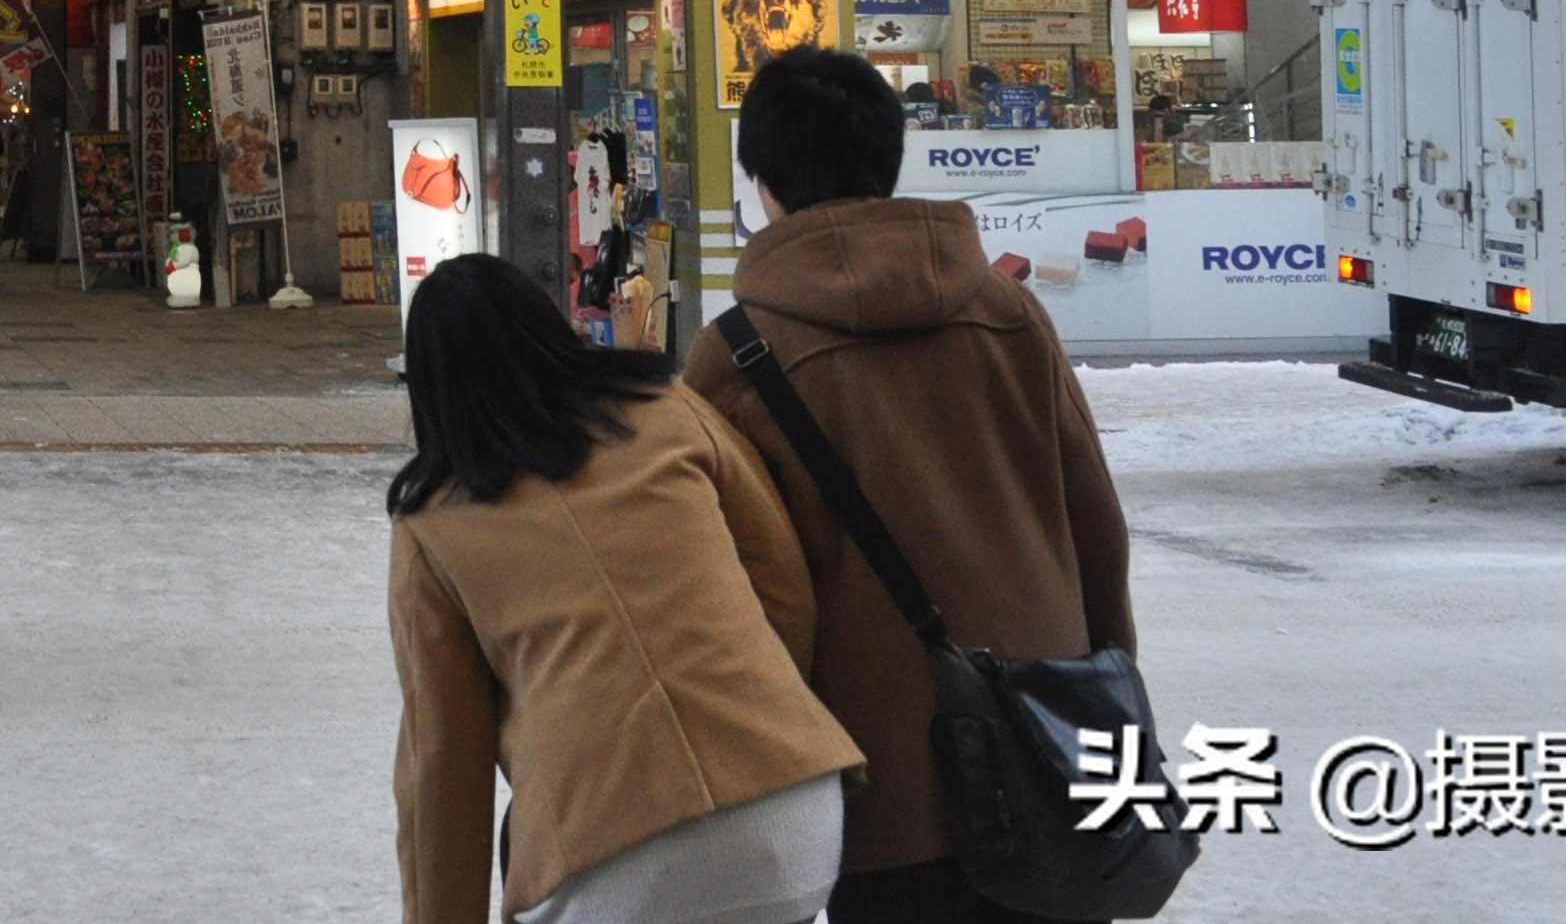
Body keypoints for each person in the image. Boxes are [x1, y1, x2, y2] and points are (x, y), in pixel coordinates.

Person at [683, 50, 1135, 924]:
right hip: (1047, 758)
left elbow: (721, 593)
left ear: (763, 181)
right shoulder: (1007, 313)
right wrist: (1103, 719)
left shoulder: (737, 353)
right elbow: (1095, 531)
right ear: (889, 160)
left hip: (872, 787)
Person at [388, 253, 859, 924]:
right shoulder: (666, 408)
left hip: (611, 848)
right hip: (791, 812)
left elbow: (445, 760)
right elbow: (784, 590)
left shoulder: (430, 524)